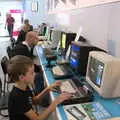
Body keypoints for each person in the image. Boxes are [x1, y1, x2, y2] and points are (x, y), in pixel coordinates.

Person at [8, 55, 72, 120]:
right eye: (32, 73)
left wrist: (47, 89)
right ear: (21, 77)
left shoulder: (24, 86)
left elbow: (35, 100)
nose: (35, 74)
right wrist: (55, 102)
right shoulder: (18, 97)